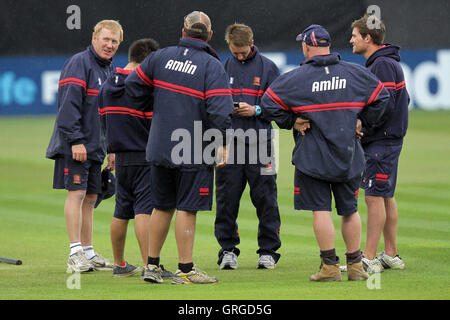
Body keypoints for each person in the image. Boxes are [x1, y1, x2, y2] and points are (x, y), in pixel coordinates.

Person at [260, 24, 390, 282]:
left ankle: (329, 267)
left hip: (313, 158)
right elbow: (382, 98)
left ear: (307, 45)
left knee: (321, 210)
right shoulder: (354, 73)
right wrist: (362, 120)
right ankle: (355, 266)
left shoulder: (296, 78)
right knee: (350, 211)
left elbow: (267, 103)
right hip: (349, 155)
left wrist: (291, 120)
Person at [125, 11, 233, 284]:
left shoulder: (160, 57)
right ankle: (185, 270)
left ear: (182, 31)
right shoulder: (211, 65)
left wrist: (157, 105)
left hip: (160, 144)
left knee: (161, 207)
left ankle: (152, 266)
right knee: (187, 207)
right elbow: (220, 110)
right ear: (209, 35)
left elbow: (132, 85)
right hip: (193, 145)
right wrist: (222, 141)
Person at [46, 20, 123, 273]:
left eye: (114, 41)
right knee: (77, 194)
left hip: (96, 147)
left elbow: (109, 113)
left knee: (91, 197)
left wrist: (111, 148)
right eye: (106, 39)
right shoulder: (80, 63)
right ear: (94, 38)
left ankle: (88, 252)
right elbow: (68, 105)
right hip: (76, 145)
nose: (109, 45)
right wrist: (75, 140)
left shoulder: (109, 69)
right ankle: (74, 252)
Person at [98, 38, 173, 278]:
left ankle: (120, 264)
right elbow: (156, 122)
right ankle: (149, 266)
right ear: (149, 60)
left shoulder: (109, 83)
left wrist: (110, 149)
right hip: (144, 155)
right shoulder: (144, 87)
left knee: (121, 211)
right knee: (144, 211)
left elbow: (103, 118)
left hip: (119, 157)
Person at [215, 23, 281, 270]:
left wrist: (256, 109)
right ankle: (228, 250)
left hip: (261, 143)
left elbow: (280, 106)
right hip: (229, 145)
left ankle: (268, 252)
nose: (240, 55)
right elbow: (214, 105)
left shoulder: (268, 68)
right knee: (226, 199)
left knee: (266, 198)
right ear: (229, 46)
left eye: (243, 51)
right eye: (235, 52)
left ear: (252, 43)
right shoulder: (222, 68)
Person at [350, 14, 409, 273]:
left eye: (354, 35)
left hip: (380, 142)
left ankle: (370, 257)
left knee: (374, 196)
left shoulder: (382, 65)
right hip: (387, 139)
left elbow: (385, 104)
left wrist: (364, 126)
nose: (350, 39)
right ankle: (391, 254)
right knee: (385, 196)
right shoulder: (384, 62)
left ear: (368, 38)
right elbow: (401, 102)